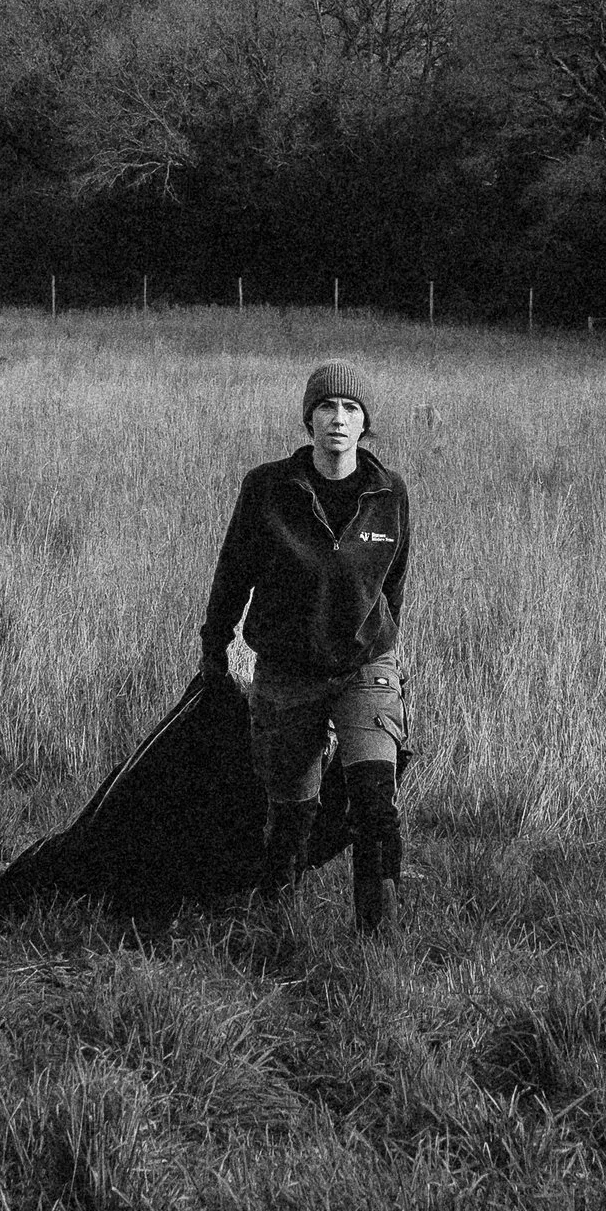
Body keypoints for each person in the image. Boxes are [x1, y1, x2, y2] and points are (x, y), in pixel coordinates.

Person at [201, 357, 411, 935]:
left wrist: (382, 651)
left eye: (350, 408)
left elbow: (392, 584)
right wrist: (214, 648)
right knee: (291, 807)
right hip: (288, 669)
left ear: (364, 422)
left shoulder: (390, 494)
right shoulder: (268, 489)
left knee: (375, 803)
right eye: (326, 406)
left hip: (364, 664)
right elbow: (232, 574)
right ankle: (278, 921)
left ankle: (376, 939)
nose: (338, 418)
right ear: (308, 419)